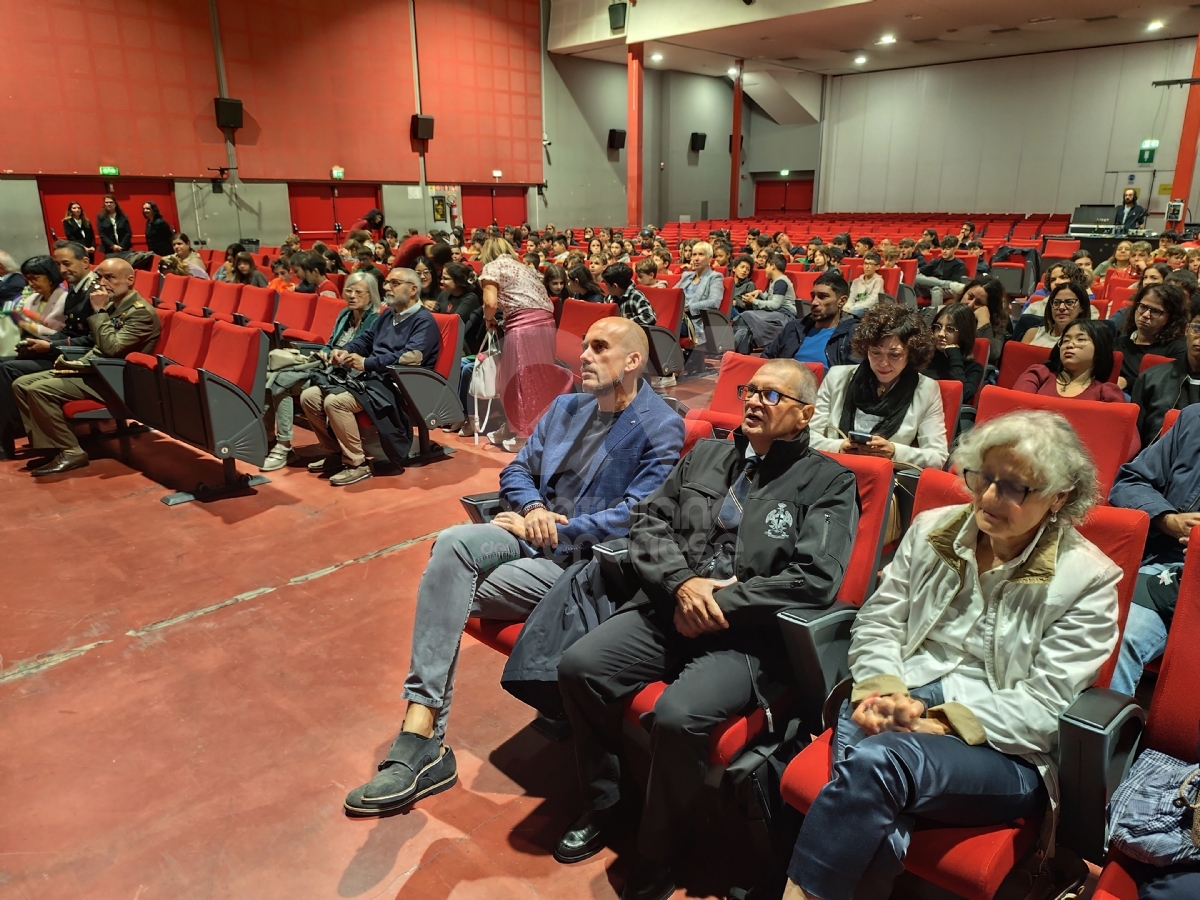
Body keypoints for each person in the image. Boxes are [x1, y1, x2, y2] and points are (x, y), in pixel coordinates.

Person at [344, 318, 685, 817]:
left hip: (580, 565)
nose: (584, 356)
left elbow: (637, 513)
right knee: (454, 544)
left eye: (599, 347)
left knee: (445, 585)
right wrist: (532, 512)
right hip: (528, 536)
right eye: (584, 345)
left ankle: (422, 745)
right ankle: (422, 729)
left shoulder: (661, 425)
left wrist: (555, 529)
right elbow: (517, 469)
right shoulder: (569, 406)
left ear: (633, 361)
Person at [783, 410, 1118, 900]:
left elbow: (1044, 707)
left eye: (1013, 488)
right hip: (901, 694)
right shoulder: (933, 528)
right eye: (983, 477)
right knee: (876, 778)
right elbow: (880, 621)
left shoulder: (1087, 580)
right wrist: (885, 690)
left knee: (878, 762)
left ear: (1059, 497)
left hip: (1005, 750)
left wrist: (938, 719)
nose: (986, 498)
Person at [555, 359, 858, 900]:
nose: (754, 401)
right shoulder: (709, 454)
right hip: (669, 605)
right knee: (581, 667)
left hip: (747, 635)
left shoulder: (828, 481)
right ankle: (606, 804)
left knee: (678, 716)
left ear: (805, 414)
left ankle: (660, 851)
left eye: (771, 395)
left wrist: (723, 603)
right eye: (750, 390)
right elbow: (648, 522)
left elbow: (816, 579)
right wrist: (682, 587)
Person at [12, 258, 161, 475]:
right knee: (21, 384)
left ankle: (71, 452)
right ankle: (53, 448)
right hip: (96, 370)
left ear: (130, 280)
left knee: (39, 390)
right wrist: (76, 363)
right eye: (100, 276)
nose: (102, 282)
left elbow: (111, 348)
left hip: (115, 379)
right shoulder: (113, 304)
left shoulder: (140, 313)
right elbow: (97, 344)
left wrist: (99, 311)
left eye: (110, 277)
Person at [299, 268, 439, 485]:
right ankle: (337, 452)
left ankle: (357, 463)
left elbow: (410, 358)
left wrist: (367, 363)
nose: (386, 287)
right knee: (309, 396)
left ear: (413, 289)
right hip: (373, 379)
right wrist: (346, 350)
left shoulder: (424, 321)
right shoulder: (388, 315)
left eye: (394, 283)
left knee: (336, 402)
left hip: (399, 384)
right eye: (387, 283)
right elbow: (365, 340)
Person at [1109, 402, 1200, 695]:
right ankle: (1096, 736)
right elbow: (1130, 482)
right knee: (1117, 632)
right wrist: (1168, 520)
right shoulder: (1194, 419)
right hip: (1169, 568)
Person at [261, 272, 381, 472]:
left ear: (371, 295)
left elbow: (365, 355)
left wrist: (339, 358)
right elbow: (330, 343)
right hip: (326, 370)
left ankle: (283, 447)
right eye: (348, 291)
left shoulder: (375, 321)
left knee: (282, 384)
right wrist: (326, 353)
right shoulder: (345, 314)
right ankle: (269, 440)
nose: (352, 295)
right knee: (271, 379)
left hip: (347, 377)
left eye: (358, 292)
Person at [809, 303, 948, 470]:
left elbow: (938, 457)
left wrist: (894, 452)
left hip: (882, 478)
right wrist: (839, 447)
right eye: (875, 352)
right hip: (831, 470)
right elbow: (808, 437)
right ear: (866, 349)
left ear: (911, 354)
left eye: (894, 355)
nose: (883, 363)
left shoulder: (927, 389)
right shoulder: (837, 377)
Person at [0, 242, 98, 456]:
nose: (63, 270)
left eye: (66, 264)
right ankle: (41, 444)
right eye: (59, 264)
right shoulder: (75, 291)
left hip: (75, 358)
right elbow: (71, 332)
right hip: (59, 350)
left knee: (10, 372)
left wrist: (49, 343)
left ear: (85, 262)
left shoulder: (91, 294)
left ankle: (8, 437)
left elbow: (93, 339)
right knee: (5, 365)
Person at [479, 237, 563, 452]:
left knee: (520, 380)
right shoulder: (524, 267)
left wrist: (489, 319)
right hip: (545, 323)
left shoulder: (492, 266)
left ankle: (526, 437)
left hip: (523, 324)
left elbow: (490, 303)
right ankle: (512, 427)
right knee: (531, 379)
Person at [1130, 295, 1200, 443]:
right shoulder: (1151, 379)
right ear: (1187, 330)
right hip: (1153, 462)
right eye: (1198, 328)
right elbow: (1134, 438)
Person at [762, 271, 859, 368]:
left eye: (822, 297)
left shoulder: (853, 335)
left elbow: (854, 375)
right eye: (813, 296)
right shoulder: (794, 327)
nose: (814, 302)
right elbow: (766, 358)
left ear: (841, 301)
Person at [1013, 319, 1125, 402]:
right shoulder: (1039, 374)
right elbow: (1016, 410)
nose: (1069, 345)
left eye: (1080, 339)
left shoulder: (1106, 392)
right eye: (1065, 340)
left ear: (1099, 349)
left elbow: (1123, 431)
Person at [1115, 282, 1189, 390]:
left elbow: (1167, 386)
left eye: (1155, 311)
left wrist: (1127, 382)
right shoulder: (1117, 343)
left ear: (1171, 317)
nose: (1145, 315)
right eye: (1143, 307)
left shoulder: (1178, 349)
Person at [733, 251, 797, 354]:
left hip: (785, 315)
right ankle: (740, 352)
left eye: (766, 267)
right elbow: (768, 296)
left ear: (773, 266)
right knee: (745, 320)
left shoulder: (781, 281)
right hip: (777, 313)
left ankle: (737, 352)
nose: (765, 270)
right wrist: (759, 293)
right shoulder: (774, 281)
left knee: (745, 316)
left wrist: (754, 301)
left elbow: (775, 304)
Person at [923, 302, 984, 405]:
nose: (941, 334)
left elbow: (963, 395)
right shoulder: (923, 357)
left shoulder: (974, 368)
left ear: (963, 333)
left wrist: (954, 356)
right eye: (938, 327)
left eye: (950, 329)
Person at [676, 241, 724, 343]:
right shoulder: (686, 276)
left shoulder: (715, 277)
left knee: (664, 328)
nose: (696, 258)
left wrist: (689, 308)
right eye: (694, 254)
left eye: (701, 254)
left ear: (710, 258)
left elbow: (714, 302)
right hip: (678, 317)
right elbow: (672, 295)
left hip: (695, 321)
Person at [435, 261, 485, 355]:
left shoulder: (471, 298)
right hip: (441, 340)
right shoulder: (444, 294)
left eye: (445, 278)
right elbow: (432, 318)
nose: (441, 282)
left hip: (462, 347)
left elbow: (453, 322)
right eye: (442, 278)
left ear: (458, 281)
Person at [1020, 283, 1091, 348]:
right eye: (1056, 302)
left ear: (1082, 307)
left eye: (1069, 302)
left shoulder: (1087, 340)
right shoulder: (1032, 333)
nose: (1061, 307)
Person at [959, 277, 1009, 365]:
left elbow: (993, 354)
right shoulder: (942, 312)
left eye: (979, 303)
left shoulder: (999, 324)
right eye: (970, 297)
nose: (970, 305)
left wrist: (984, 321)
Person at [14, 256, 68, 339]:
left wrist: (36, 329)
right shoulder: (31, 299)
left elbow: (70, 336)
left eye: (34, 278)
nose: (31, 284)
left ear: (51, 276)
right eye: (28, 279)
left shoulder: (66, 299)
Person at [914, 236, 967, 308]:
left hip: (950, 290)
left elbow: (955, 284)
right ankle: (946, 284)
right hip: (934, 286)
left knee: (937, 289)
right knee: (916, 278)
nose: (944, 251)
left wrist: (935, 281)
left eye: (947, 249)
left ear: (954, 249)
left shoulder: (959, 264)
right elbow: (921, 271)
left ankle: (933, 315)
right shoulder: (936, 261)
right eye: (943, 249)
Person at [601, 263, 656, 327]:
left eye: (606, 284)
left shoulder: (635, 297)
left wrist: (624, 322)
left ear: (615, 286)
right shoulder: (610, 297)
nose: (605, 286)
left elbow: (649, 317)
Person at [846, 251, 884, 316]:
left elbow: (872, 301)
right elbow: (851, 299)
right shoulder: (856, 281)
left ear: (877, 267)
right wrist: (846, 307)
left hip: (868, 310)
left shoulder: (878, 281)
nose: (867, 267)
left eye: (870, 264)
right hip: (854, 309)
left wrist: (853, 309)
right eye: (865, 263)